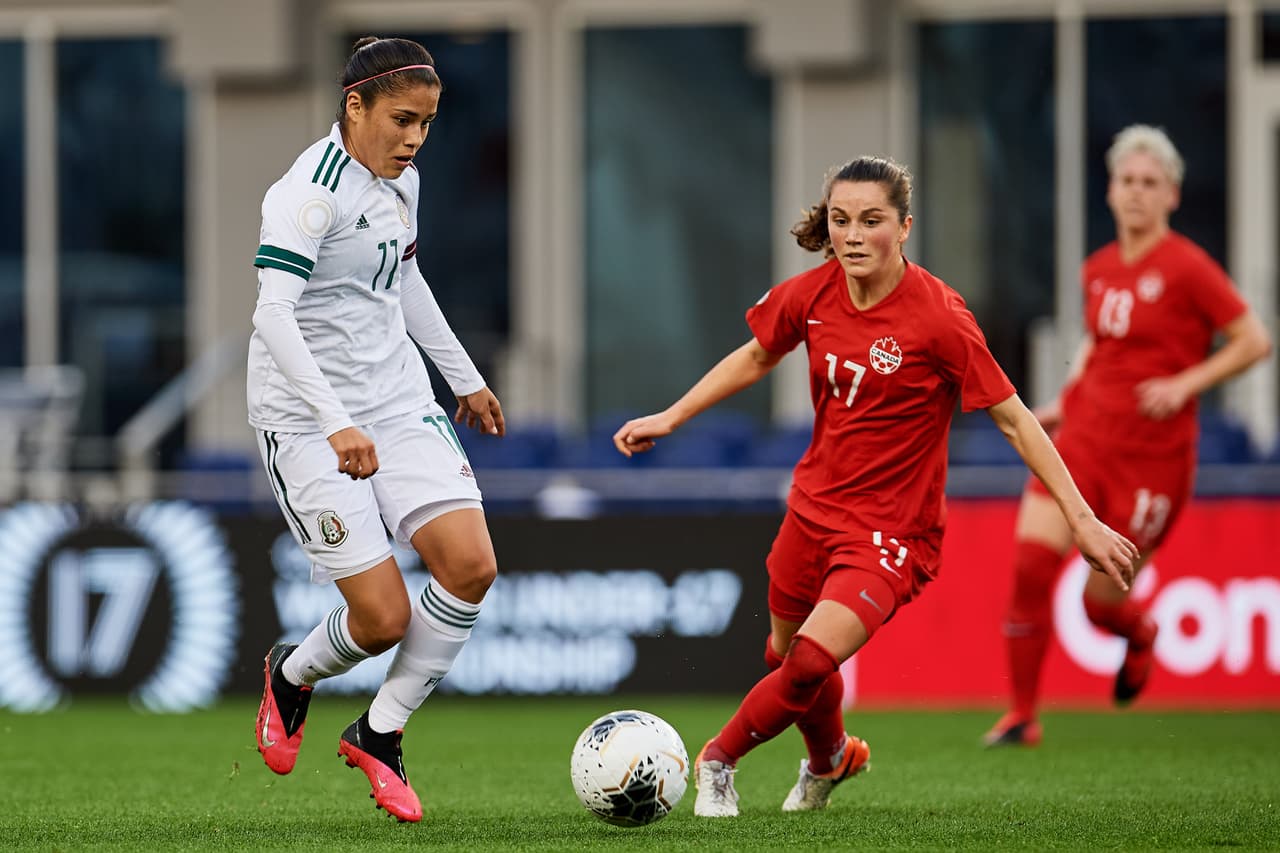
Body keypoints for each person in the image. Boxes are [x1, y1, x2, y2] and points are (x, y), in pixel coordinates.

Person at [613, 156, 1140, 818]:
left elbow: (1015, 420)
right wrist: (671, 416)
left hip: (892, 532)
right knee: (782, 654)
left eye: (871, 221)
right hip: (810, 512)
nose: (853, 236)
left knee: (804, 663)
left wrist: (1083, 519)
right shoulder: (814, 293)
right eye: (841, 220)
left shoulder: (940, 319)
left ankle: (716, 761)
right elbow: (756, 354)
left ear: (905, 227)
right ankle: (830, 758)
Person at [247, 36, 505, 823]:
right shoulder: (305, 195)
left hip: (398, 400)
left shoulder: (404, 182)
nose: (414, 139)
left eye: (425, 123)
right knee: (383, 618)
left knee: (470, 567)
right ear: (354, 106)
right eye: (401, 120)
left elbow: (406, 276)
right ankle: (292, 672)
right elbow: (273, 315)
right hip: (307, 419)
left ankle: (381, 731)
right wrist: (336, 425)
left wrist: (462, 375)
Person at [984, 125, 1272, 748]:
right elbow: (1098, 344)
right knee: (1030, 566)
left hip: (1153, 462)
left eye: (1150, 183)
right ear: (1110, 192)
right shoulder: (1099, 269)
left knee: (1100, 604)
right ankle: (1022, 715)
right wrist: (1062, 403)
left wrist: (1186, 384)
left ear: (1172, 195)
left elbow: (1255, 340)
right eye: (1126, 181)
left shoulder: (1189, 267)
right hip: (1084, 439)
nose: (1137, 193)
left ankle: (1138, 635)